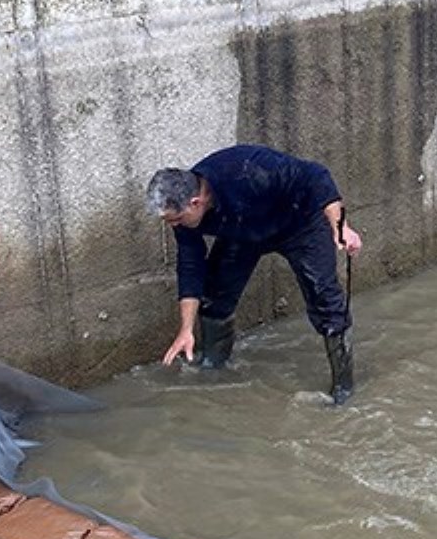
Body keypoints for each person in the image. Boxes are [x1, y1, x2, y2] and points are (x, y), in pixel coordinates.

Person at [146, 145, 364, 405]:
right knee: (214, 297)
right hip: (244, 233)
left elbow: (316, 175)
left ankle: (343, 387)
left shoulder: (247, 170)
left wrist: (340, 228)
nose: (174, 226)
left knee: (325, 300)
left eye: (176, 220)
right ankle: (213, 366)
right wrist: (186, 330)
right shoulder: (187, 216)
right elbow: (191, 267)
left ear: (196, 202)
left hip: (300, 224)